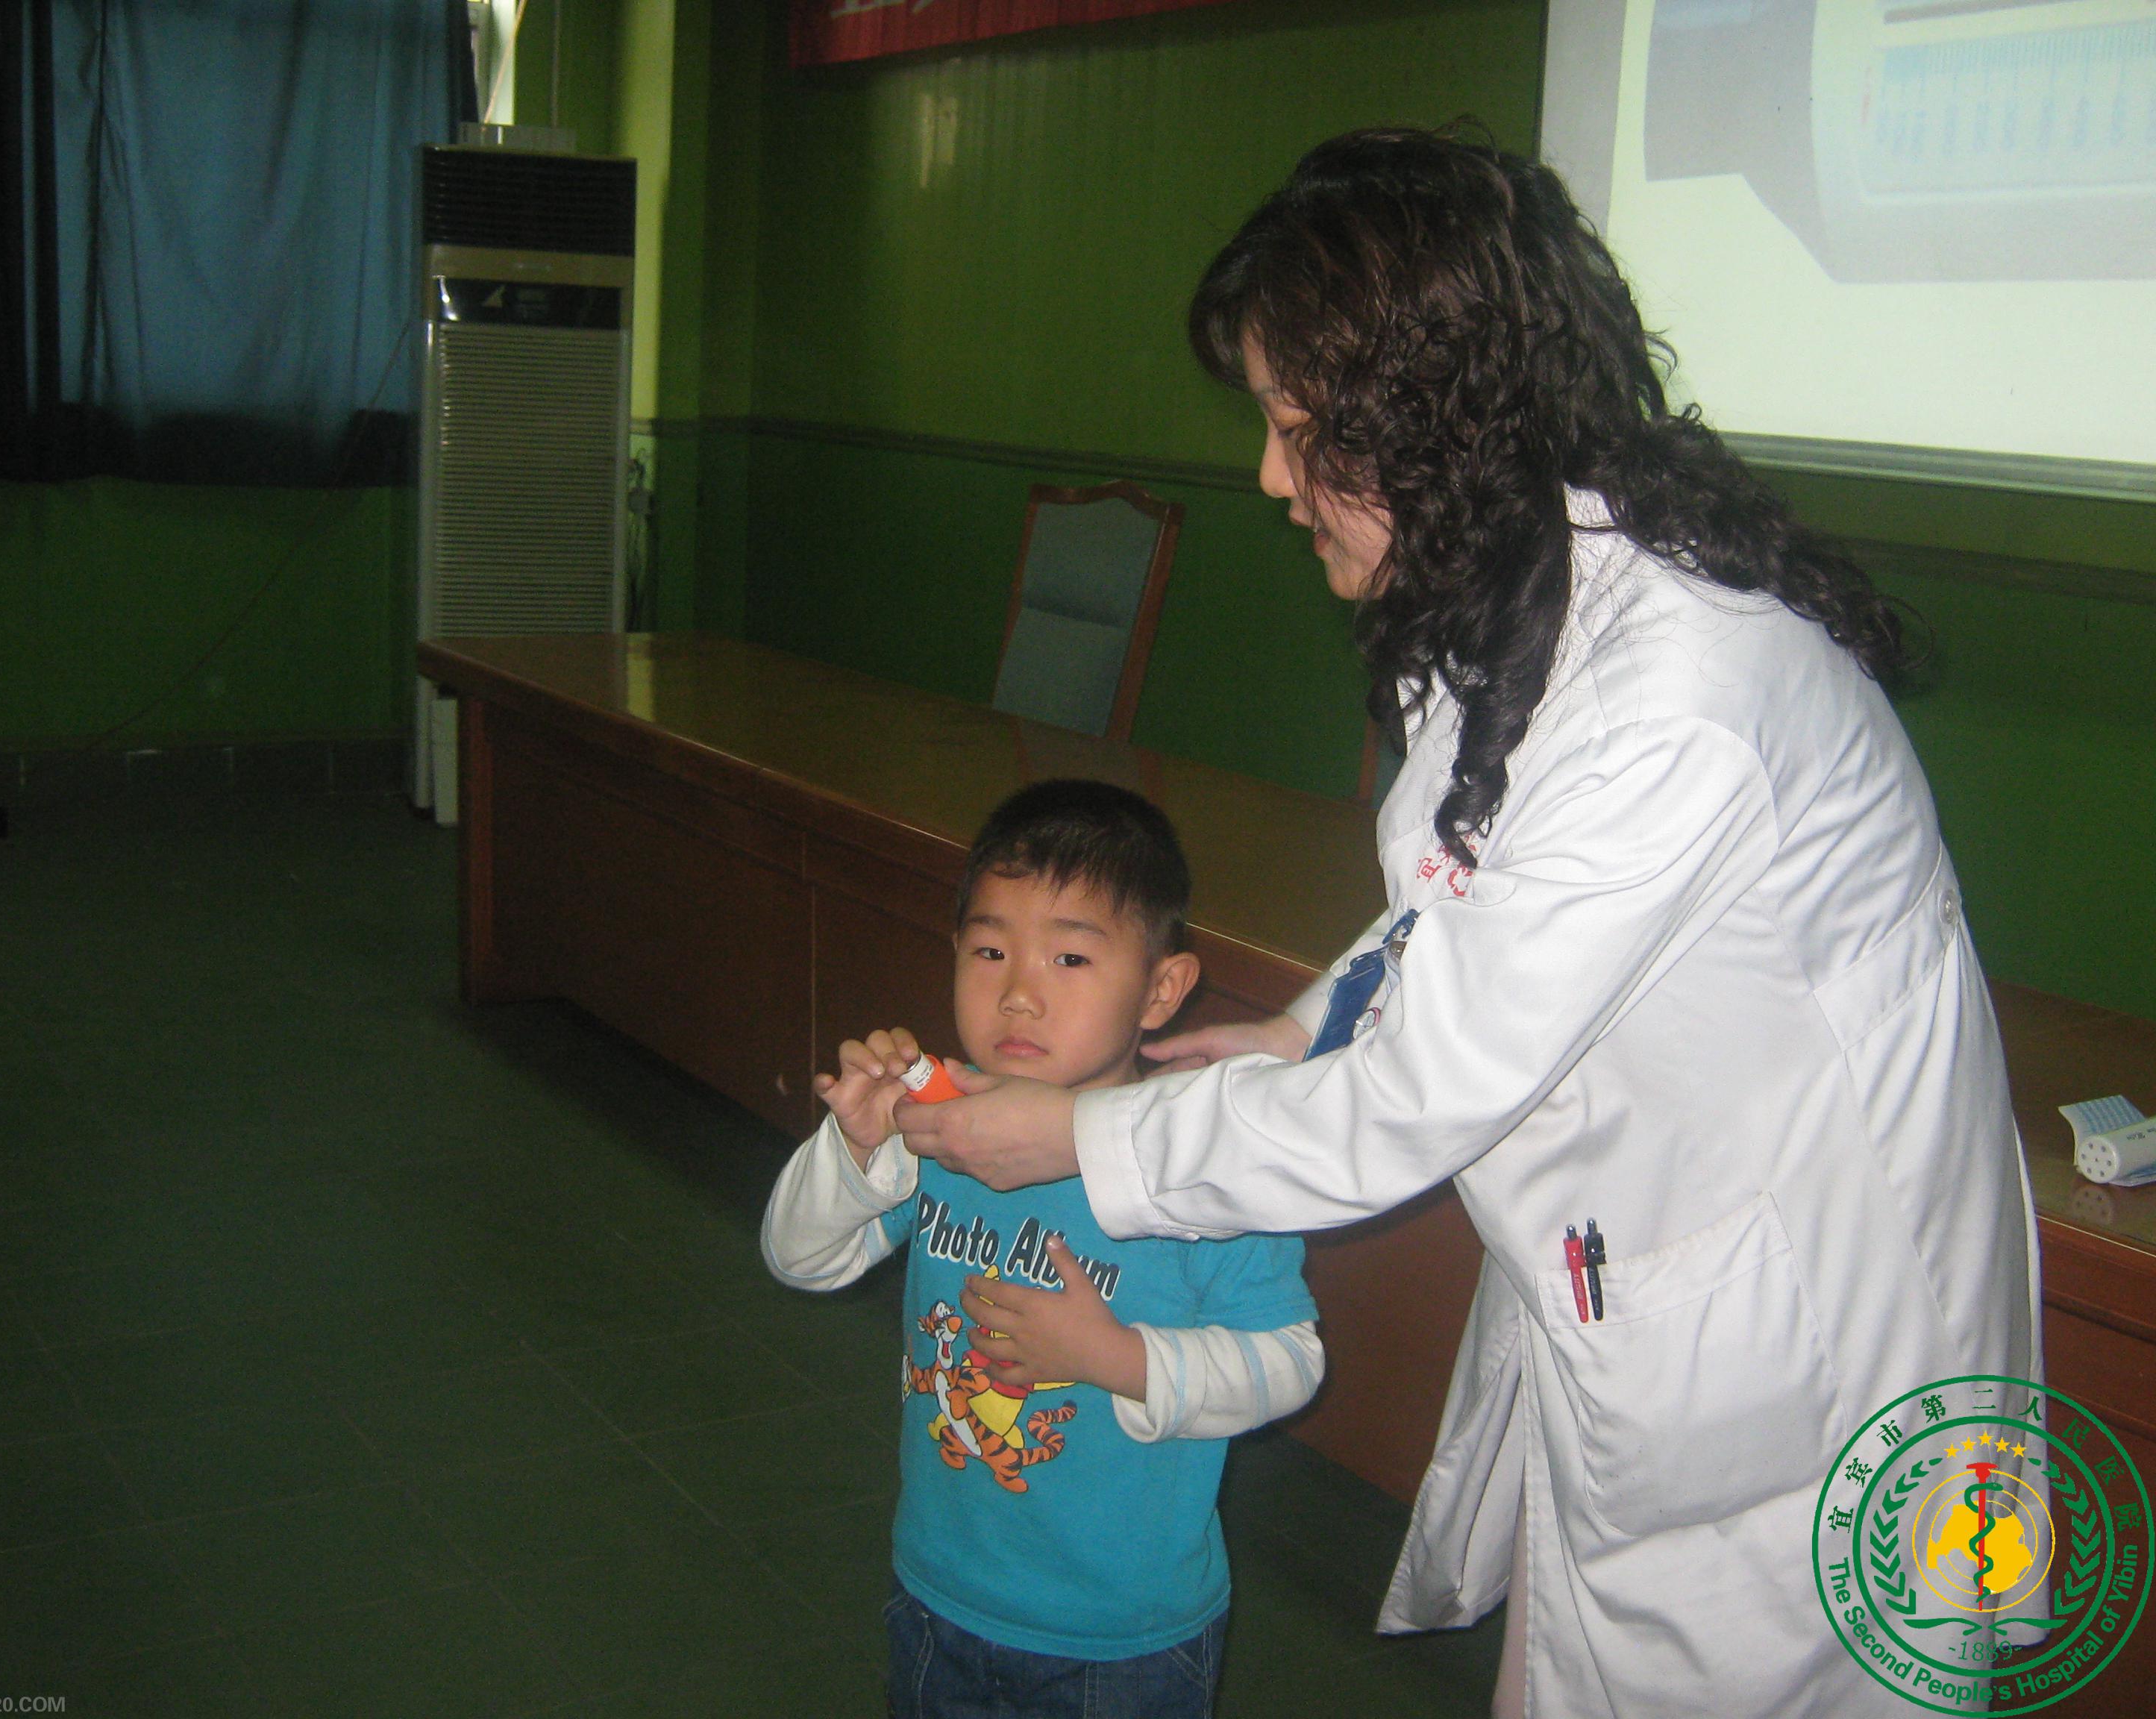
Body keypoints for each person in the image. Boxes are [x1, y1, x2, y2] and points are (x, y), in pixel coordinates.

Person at [893, 130, 2039, 1718]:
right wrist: (1306, 1021)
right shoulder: (1523, 599)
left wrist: (1080, 1137)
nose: (1270, 478)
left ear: (1435, 420)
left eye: (1301, 432)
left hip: (1816, 1377)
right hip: (1675, 1301)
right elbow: (1460, 904)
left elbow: (1413, 1103)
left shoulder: (1675, 702)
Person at [762, 779, 1324, 1719]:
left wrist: (1115, 1359)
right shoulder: (947, 1123)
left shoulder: (1203, 1164)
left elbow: (1291, 1362)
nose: (1019, 994)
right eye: (990, 951)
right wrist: (857, 1150)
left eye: (1070, 957)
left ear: (1161, 990)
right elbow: (799, 1256)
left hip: (1122, 1638)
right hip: (940, 1593)